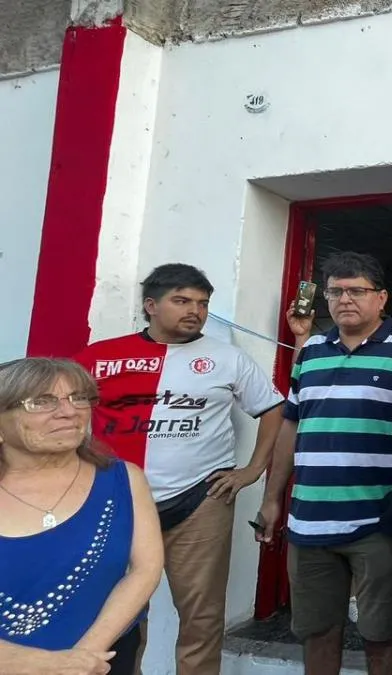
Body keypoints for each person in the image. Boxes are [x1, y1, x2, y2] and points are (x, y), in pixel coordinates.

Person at [72, 263, 285, 675]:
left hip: (200, 501)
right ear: (151, 306)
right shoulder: (99, 357)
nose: (195, 311)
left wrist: (252, 470)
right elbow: (56, 407)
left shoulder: (227, 358)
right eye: (182, 301)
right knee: (118, 615)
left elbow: (273, 408)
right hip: (118, 500)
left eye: (203, 303)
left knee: (201, 617)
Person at [255, 251, 392, 675]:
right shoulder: (311, 350)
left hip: (378, 520)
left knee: (380, 633)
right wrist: (273, 499)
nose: (345, 299)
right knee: (317, 631)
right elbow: (291, 427)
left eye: (357, 291)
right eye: (335, 291)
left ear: (381, 298)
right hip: (309, 521)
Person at [0, 358, 163, 675]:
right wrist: (46, 665)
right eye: (42, 402)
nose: (69, 411)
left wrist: (85, 657)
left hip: (99, 663)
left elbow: (145, 570)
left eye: (78, 398)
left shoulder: (124, 480)